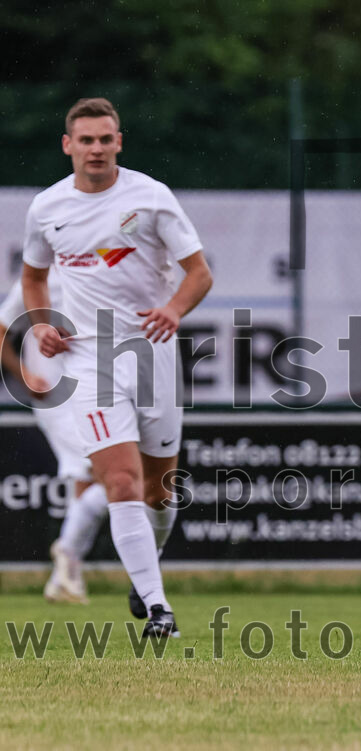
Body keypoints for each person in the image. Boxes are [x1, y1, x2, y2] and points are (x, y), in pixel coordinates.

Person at [21, 97, 213, 638]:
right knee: (121, 481)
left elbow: (199, 273)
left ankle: (144, 569)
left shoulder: (151, 198)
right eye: (86, 140)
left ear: (119, 142)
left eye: (106, 139)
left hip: (150, 351)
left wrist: (173, 309)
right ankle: (159, 609)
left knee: (160, 491)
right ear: (68, 145)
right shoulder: (46, 208)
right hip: (89, 358)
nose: (96, 149)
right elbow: (33, 279)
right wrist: (41, 323)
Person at [0, 276, 109, 604]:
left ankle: (64, 575)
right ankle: (68, 556)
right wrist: (23, 374)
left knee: (90, 477)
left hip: (97, 393)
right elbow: (2, 327)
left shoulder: (100, 274)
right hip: (55, 397)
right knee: (106, 472)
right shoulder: (36, 282)